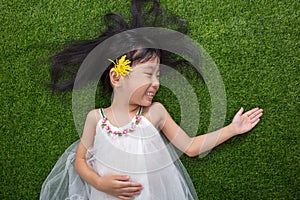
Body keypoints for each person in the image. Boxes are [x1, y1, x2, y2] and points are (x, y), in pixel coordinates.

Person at [40, 1, 263, 199]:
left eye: (158, 75)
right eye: (148, 74)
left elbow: (191, 147)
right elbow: (80, 161)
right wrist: (100, 183)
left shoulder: (155, 113)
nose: (156, 83)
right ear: (117, 77)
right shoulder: (95, 119)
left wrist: (233, 129)